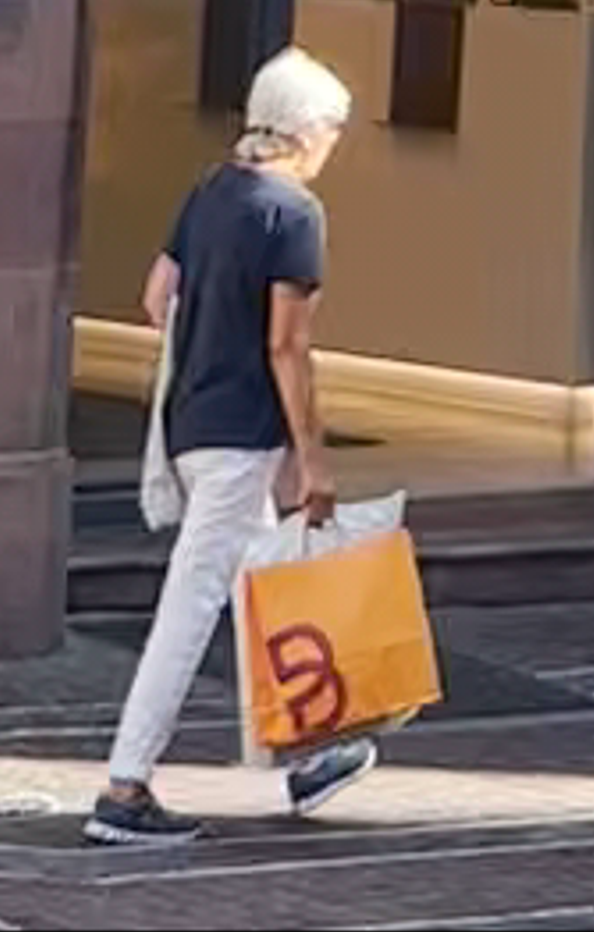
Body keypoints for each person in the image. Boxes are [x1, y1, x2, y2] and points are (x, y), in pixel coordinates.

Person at [87, 49, 380, 850]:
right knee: (191, 609)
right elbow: (289, 345)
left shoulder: (211, 191)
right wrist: (312, 457)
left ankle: (309, 752)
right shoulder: (294, 213)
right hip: (239, 435)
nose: (334, 145)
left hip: (191, 425)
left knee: (262, 592)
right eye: (334, 129)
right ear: (306, 129)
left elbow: (156, 297)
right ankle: (124, 784)